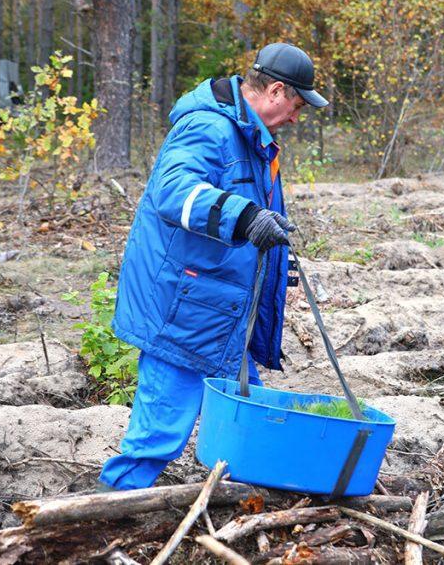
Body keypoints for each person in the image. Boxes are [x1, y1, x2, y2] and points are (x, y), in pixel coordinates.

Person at [99, 42, 329, 491]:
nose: (296, 118)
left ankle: (252, 507)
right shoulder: (209, 128)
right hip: (185, 315)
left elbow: (245, 218)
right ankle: (106, 513)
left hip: (222, 311)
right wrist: (245, 218)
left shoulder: (250, 138)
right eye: (298, 106)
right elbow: (173, 192)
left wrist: (276, 262)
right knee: (156, 439)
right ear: (276, 91)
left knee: (251, 425)